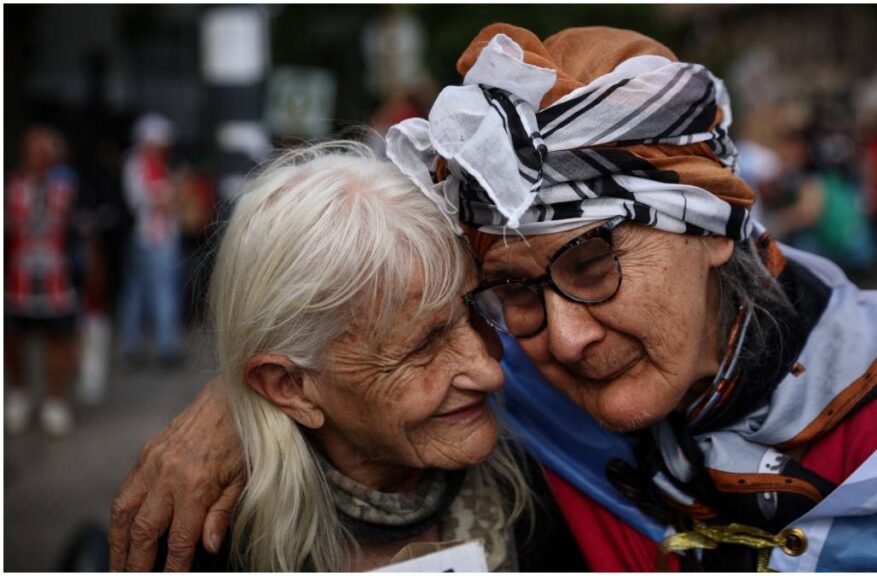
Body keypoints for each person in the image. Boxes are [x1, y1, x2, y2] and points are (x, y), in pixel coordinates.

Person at [110, 25, 877, 572]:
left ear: (710, 230)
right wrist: (241, 403)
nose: (567, 341)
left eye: (593, 262)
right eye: (507, 290)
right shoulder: (507, 373)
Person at [157, 141, 583, 571]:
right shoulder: (210, 546)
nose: (489, 370)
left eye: (477, 311)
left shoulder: (542, 487)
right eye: (423, 346)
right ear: (291, 387)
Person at [5, 125, 97, 436]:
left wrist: (89, 274)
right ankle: (19, 393)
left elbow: (84, 231)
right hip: (17, 279)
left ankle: (55, 401)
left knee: (57, 339)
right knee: (13, 338)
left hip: (57, 278)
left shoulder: (68, 186)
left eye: (46, 151)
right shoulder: (11, 186)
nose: (40, 158)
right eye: (34, 151)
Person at [119, 113, 184, 365]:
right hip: (151, 238)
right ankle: (163, 347)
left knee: (141, 291)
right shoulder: (137, 165)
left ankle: (136, 345)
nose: (164, 147)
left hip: (158, 236)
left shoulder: (156, 165)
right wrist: (170, 197)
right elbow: (142, 200)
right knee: (157, 291)